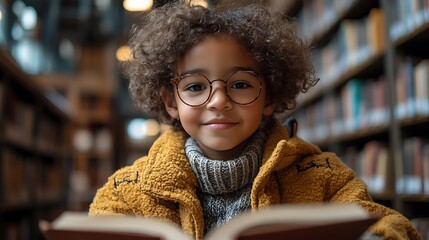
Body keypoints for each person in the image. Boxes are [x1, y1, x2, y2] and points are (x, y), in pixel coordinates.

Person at [89, 1, 420, 239]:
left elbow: (391, 225)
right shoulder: (127, 191)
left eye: (241, 84)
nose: (219, 100)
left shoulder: (323, 176)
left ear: (270, 97)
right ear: (170, 101)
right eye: (194, 86)